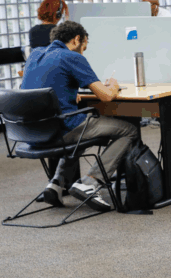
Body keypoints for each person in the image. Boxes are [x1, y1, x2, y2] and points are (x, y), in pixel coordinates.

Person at [20, 21, 138, 211]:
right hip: (60, 131)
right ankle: (91, 182)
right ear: (77, 40)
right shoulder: (71, 56)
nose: (83, 52)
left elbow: (40, 86)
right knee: (128, 130)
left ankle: (56, 184)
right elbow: (106, 96)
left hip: (30, 133)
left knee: (81, 131)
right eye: (84, 47)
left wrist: (66, 93)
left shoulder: (35, 55)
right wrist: (114, 86)